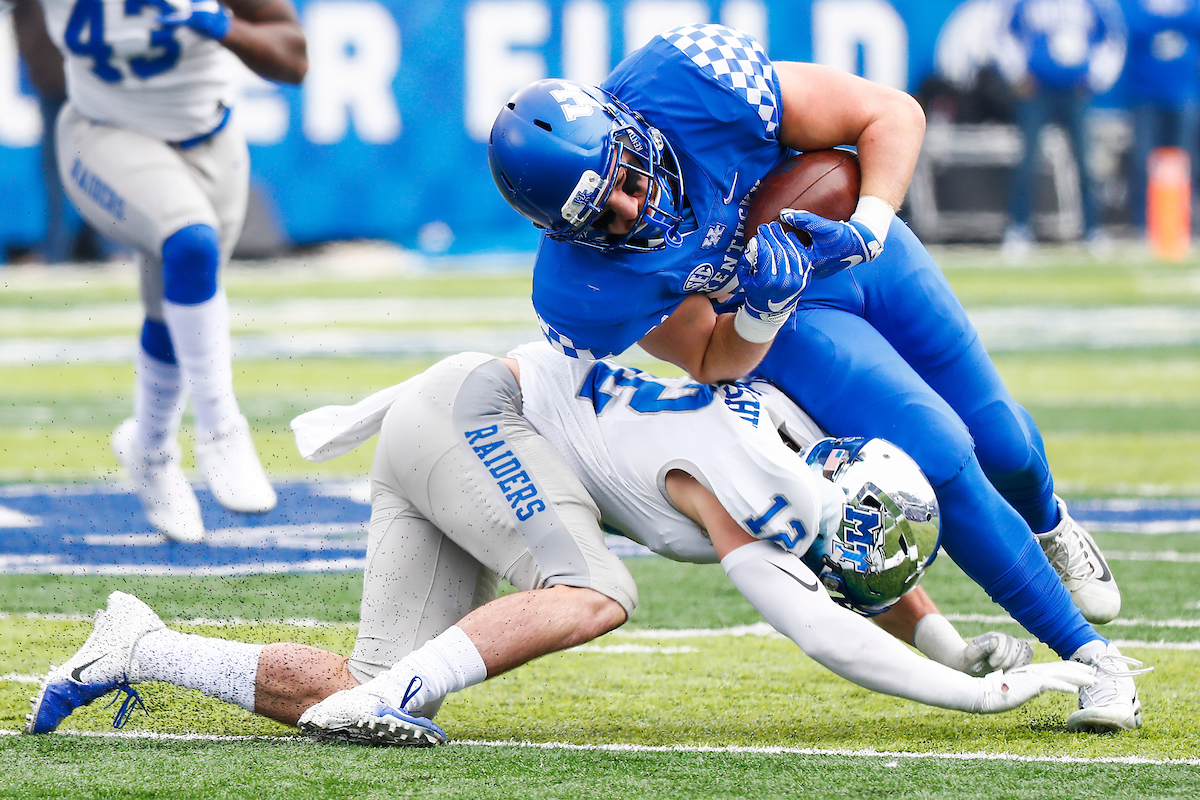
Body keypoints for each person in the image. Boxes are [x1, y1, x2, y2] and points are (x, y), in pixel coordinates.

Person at [486, 23, 1144, 732]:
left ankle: (1049, 521)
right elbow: (709, 358)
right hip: (789, 319)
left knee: (1004, 443)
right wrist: (762, 316)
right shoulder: (582, 288)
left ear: (626, 128)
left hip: (867, 253)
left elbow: (891, 113)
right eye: (599, 217)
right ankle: (1095, 660)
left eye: (622, 179)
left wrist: (866, 227)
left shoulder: (688, 82)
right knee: (942, 452)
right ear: (561, 232)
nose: (629, 209)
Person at [23, 345, 1092, 746]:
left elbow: (856, 566)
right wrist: (970, 697)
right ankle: (397, 699)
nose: (852, 575)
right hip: (481, 412)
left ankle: (139, 644)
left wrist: (948, 641)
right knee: (597, 587)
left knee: (358, 682)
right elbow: (823, 619)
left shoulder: (814, 462)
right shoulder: (751, 480)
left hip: (465, 418)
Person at [35, 0, 307, 542]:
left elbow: (293, 58)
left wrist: (224, 27)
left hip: (211, 140)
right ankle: (221, 428)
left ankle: (150, 449)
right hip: (101, 132)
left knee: (179, 299)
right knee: (190, 244)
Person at [1002, 0, 1114, 257]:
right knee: (1028, 161)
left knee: (1085, 161)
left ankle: (1092, 229)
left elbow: (1112, 38)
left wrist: (1095, 77)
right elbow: (1005, 34)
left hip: (1076, 91)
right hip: (1036, 91)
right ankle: (1019, 228)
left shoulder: (1094, 4)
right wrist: (1017, 73)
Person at [1121, 0, 1200, 233]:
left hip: (1183, 94)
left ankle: (1184, 223)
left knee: (1185, 162)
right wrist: (1173, 20)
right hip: (1145, 95)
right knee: (1142, 161)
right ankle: (1141, 223)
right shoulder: (1136, 7)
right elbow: (1134, 27)